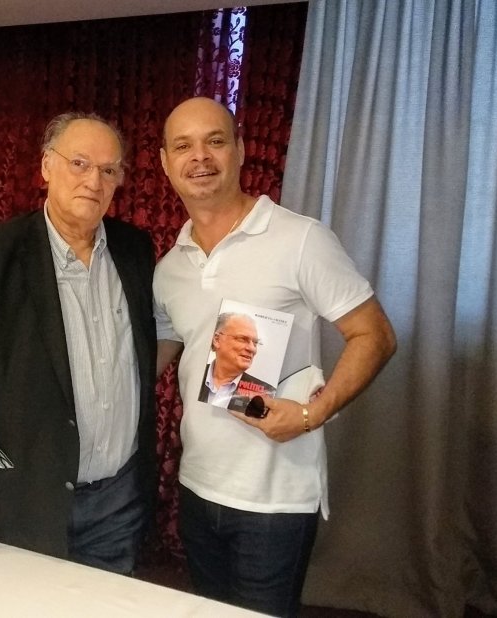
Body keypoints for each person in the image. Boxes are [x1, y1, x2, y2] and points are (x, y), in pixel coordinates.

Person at [153, 97, 396, 616]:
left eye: (215, 141)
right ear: (165, 162)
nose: (200, 157)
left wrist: (312, 414)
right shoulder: (171, 266)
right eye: (183, 146)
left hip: (275, 499)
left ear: (240, 150)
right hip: (197, 485)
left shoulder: (301, 238)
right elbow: (164, 352)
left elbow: (374, 335)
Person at [0, 112, 157, 576]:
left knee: (107, 606)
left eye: (109, 169)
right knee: (22, 601)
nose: (93, 181)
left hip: (117, 499)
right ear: (46, 166)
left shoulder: (135, 250)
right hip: (25, 494)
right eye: (79, 163)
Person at [199, 312, 273, 411]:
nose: (252, 349)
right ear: (217, 340)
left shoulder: (266, 394)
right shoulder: (194, 372)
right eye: (242, 339)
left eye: (255, 343)